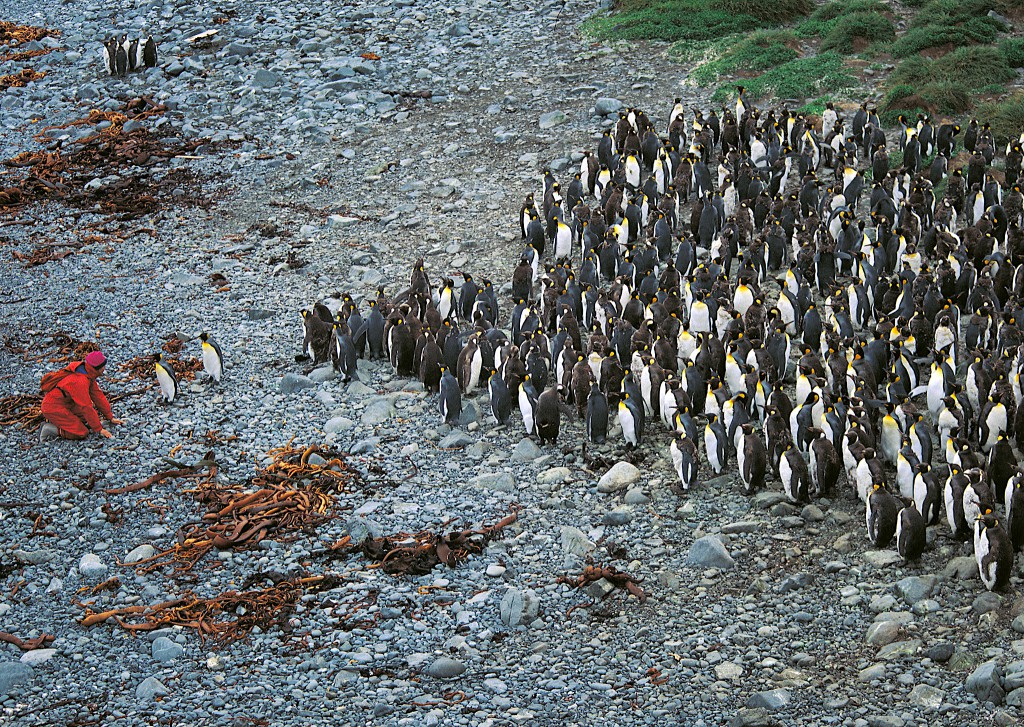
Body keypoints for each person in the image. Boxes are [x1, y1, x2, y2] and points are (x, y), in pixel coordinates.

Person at [39, 350, 124, 441]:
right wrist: (99, 429)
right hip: (53, 407)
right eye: (103, 366)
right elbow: (86, 406)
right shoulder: (80, 382)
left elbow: (98, 396)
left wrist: (110, 417)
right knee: (81, 433)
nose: (104, 368)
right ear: (97, 368)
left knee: (85, 419)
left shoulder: (88, 373)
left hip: (66, 404)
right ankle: (49, 429)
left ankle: (61, 422)